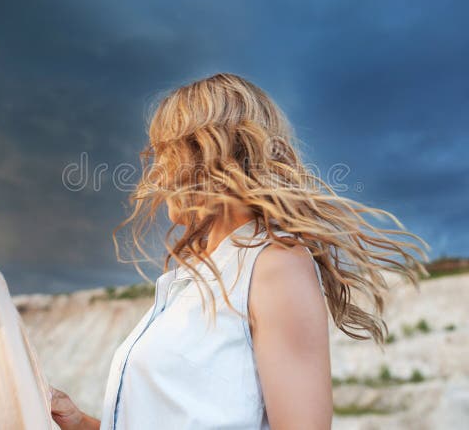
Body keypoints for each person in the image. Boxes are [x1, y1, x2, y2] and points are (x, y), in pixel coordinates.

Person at [50, 73, 429, 429]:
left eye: (166, 153)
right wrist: (79, 422)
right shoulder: (191, 282)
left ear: (209, 154)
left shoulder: (274, 265)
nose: (156, 174)